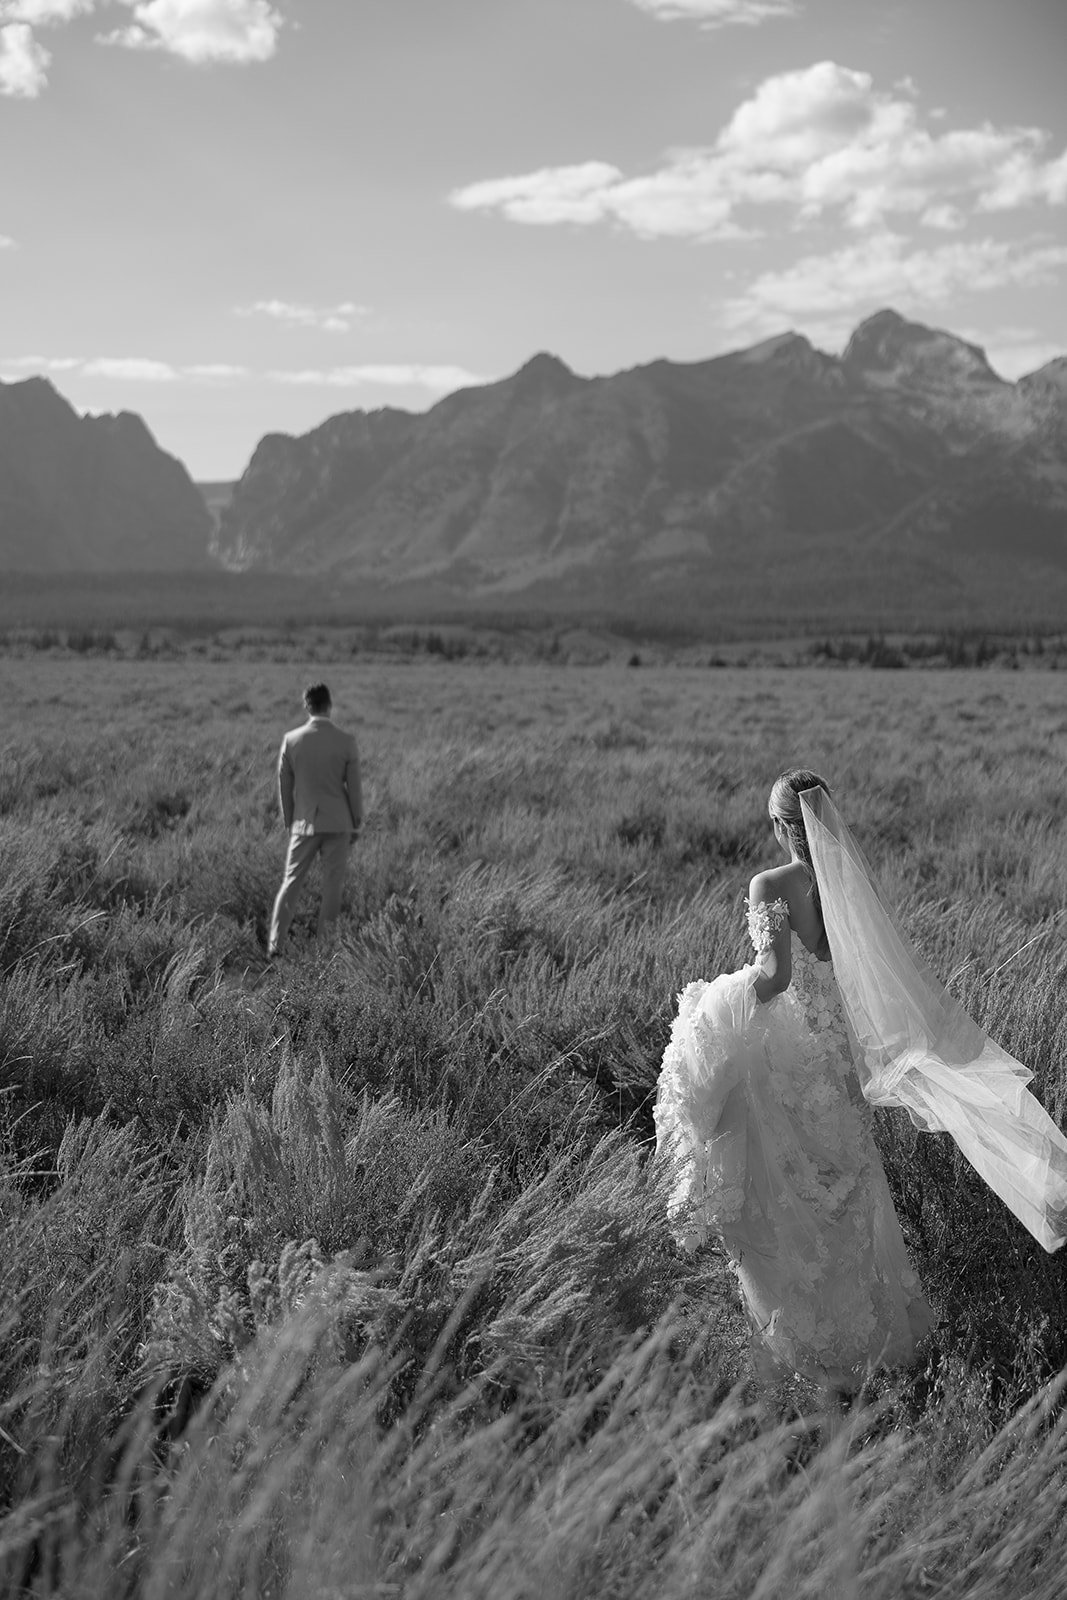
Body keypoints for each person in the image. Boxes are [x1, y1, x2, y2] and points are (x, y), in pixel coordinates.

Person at [654, 769, 1067, 1393]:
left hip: (792, 1058)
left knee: (787, 1195)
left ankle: (813, 1352)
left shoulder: (771, 883)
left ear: (777, 826)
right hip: (837, 1057)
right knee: (847, 1188)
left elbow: (773, 978)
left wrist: (714, 1001)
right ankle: (872, 1339)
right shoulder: (845, 885)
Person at [268, 683, 363, 958]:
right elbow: (354, 788)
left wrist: (290, 821)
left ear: (307, 706)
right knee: (332, 887)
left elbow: (284, 784)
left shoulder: (292, 739)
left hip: (304, 823)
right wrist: (356, 820)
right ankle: (325, 950)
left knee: (291, 882)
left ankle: (276, 945)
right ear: (329, 706)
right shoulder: (346, 741)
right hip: (339, 823)